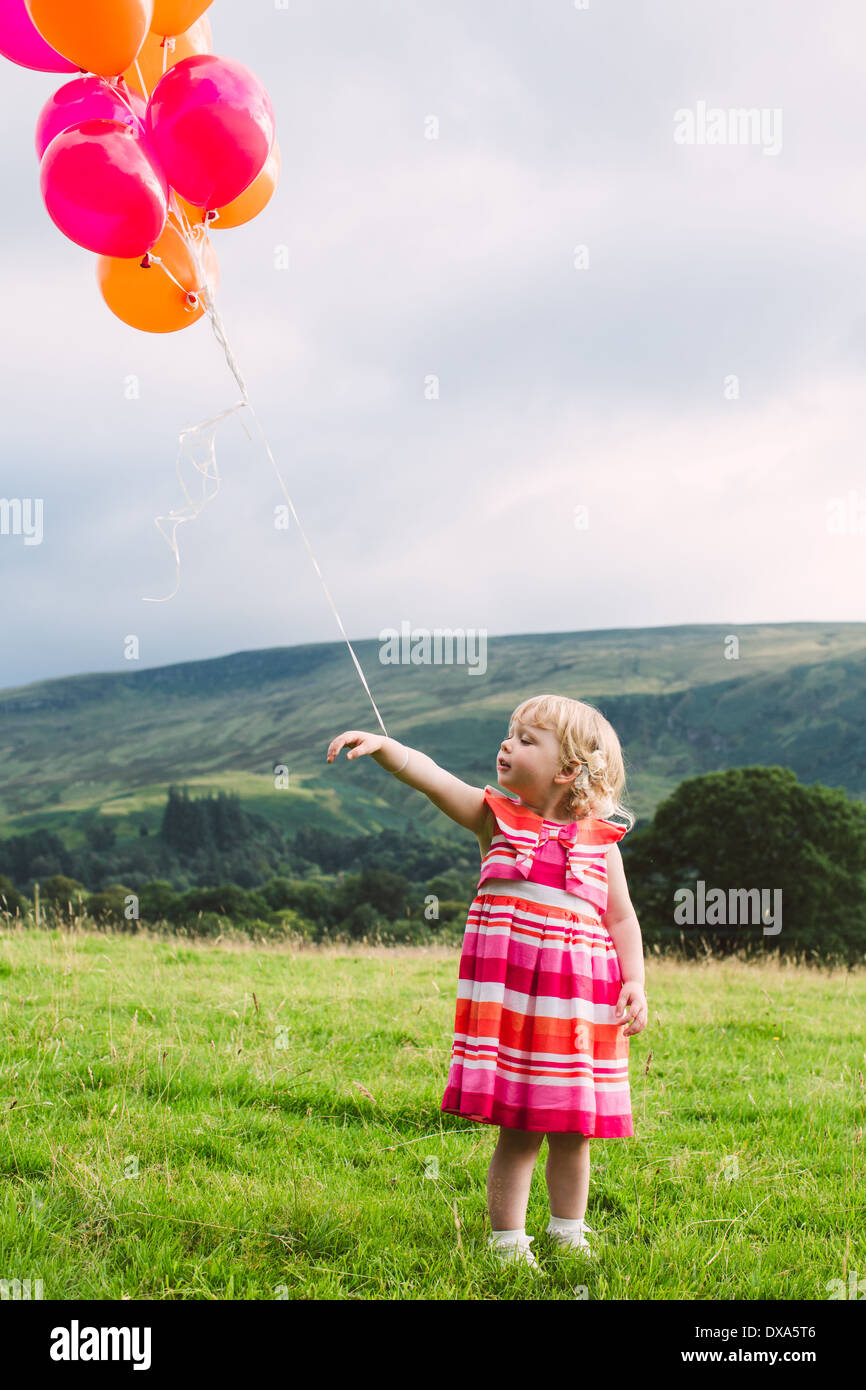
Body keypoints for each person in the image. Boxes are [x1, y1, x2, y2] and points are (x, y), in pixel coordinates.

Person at [326, 692, 647, 1270]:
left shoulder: (602, 843)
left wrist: (636, 983)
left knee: (574, 1129)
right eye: (509, 732)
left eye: (527, 740)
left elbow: (621, 917)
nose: (507, 744)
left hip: (577, 1008)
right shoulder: (494, 816)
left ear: (568, 769)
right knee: (520, 1128)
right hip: (517, 1008)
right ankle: (507, 1243)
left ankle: (569, 1232)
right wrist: (386, 749)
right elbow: (433, 780)